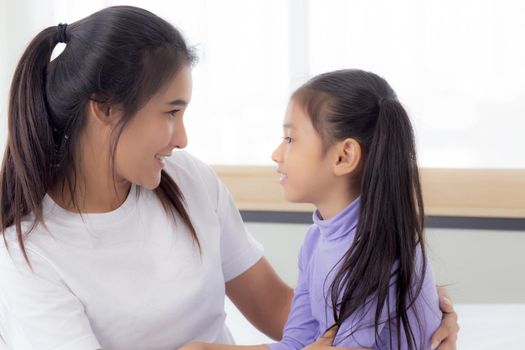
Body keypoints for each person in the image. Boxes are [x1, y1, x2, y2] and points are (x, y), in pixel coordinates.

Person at [0, 5, 458, 350]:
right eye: (171, 112)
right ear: (104, 109)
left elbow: (283, 313)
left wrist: (405, 314)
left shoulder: (188, 180)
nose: (181, 137)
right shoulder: (30, 254)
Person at [180, 69, 447, 350]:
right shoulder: (315, 242)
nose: (276, 154)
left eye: (290, 139)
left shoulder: (380, 249)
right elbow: (298, 341)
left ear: (344, 156)